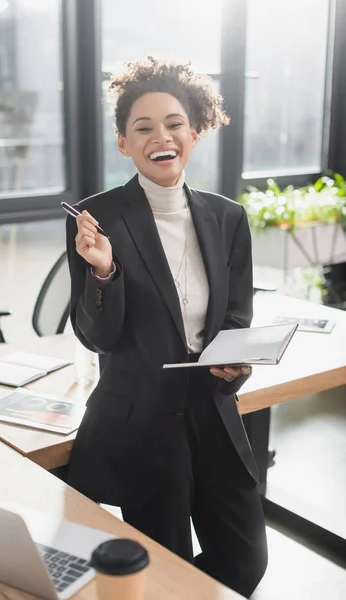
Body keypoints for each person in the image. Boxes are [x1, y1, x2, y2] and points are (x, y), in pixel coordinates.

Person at [66, 57, 268, 598]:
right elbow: (95, 337)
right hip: (144, 421)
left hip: (213, 410)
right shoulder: (94, 219)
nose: (162, 137)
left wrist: (235, 362)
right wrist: (104, 270)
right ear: (123, 144)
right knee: (162, 561)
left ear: (195, 131)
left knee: (246, 560)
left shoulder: (227, 218)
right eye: (144, 127)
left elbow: (235, 318)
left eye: (175, 123)